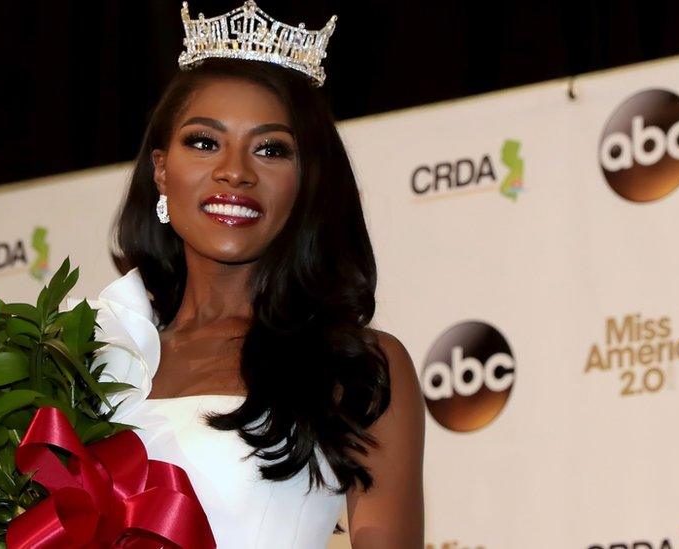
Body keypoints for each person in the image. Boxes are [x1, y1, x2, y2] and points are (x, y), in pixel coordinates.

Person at [94, 2, 425, 547]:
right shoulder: (93, 351)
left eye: (271, 149)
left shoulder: (357, 367)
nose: (234, 171)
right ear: (160, 169)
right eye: (204, 142)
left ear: (307, 182)